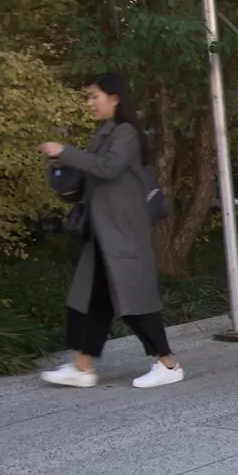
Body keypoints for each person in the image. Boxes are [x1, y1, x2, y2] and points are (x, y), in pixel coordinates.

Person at [38, 74, 182, 390]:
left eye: (94, 96)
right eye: (87, 97)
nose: (90, 103)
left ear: (114, 98)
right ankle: (82, 367)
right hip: (104, 235)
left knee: (135, 303)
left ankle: (168, 364)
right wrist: (60, 165)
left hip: (122, 234)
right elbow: (91, 181)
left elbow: (107, 168)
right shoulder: (104, 134)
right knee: (90, 302)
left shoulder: (126, 133)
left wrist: (66, 150)